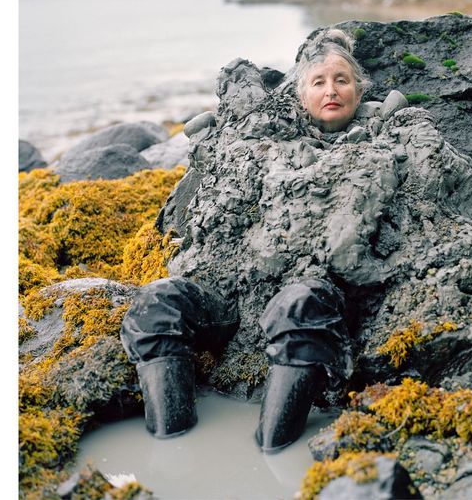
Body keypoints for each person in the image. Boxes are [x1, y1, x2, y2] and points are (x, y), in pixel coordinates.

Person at [120, 29, 371, 453]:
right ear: (300, 93)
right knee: (156, 304)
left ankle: (272, 454)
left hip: (308, 291)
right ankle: (171, 449)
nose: (331, 90)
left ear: (359, 91)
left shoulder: (385, 138)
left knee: (301, 307)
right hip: (229, 292)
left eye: (342, 80)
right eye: (319, 81)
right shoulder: (257, 135)